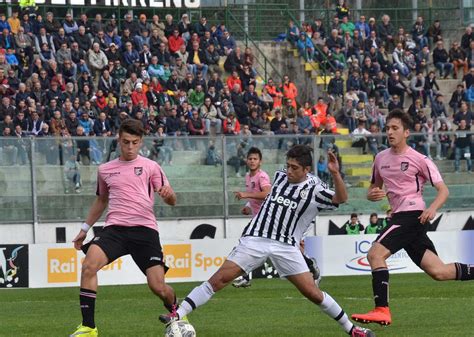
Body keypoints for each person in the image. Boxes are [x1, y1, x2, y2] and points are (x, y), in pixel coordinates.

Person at [160, 145, 375, 337]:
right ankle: (177, 314)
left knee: (313, 293)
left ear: (306, 170)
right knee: (218, 280)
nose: (289, 171)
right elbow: (270, 195)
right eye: (288, 165)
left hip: (286, 246)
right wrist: (248, 198)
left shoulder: (315, 191)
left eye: (294, 168)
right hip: (256, 238)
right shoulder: (280, 176)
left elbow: (341, 199)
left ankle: (352, 329)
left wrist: (336, 174)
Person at [351, 110, 474, 328]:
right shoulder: (380, 158)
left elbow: (443, 190)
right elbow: (373, 189)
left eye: (395, 128)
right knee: (439, 272)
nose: (389, 132)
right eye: (387, 128)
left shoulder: (420, 159)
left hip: (411, 214)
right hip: (403, 217)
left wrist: (432, 209)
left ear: (406, 132)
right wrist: (371, 195)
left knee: (374, 255)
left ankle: (382, 309)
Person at [70, 119, 178, 337]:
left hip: (145, 230)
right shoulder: (106, 170)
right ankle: (89, 328)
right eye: (126, 142)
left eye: (135, 143)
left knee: (158, 287)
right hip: (115, 229)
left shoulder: (151, 167)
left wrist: (169, 195)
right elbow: (101, 201)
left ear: (141, 142)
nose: (130, 147)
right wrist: (84, 228)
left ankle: (177, 313)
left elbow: (171, 199)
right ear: (119, 140)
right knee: (89, 265)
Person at [232, 147, 272, 288]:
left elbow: (267, 194)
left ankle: (309, 266)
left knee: (245, 242)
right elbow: (254, 195)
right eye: (250, 159)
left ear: (260, 161)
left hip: (266, 218)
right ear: (246, 161)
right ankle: (245, 277)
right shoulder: (248, 177)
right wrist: (248, 206)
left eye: (255, 159)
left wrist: (245, 195)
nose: (252, 161)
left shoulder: (262, 176)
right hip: (257, 218)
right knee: (247, 244)